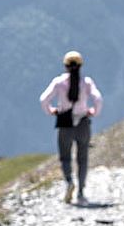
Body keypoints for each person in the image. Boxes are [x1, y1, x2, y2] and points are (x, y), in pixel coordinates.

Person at [39, 50, 103, 205]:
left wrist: (52, 111)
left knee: (65, 157)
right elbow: (98, 99)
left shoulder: (59, 82)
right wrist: (93, 112)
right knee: (82, 158)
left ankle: (69, 182)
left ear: (65, 66)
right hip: (82, 123)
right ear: (80, 65)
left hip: (64, 123)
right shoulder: (86, 82)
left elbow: (43, 99)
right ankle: (81, 193)